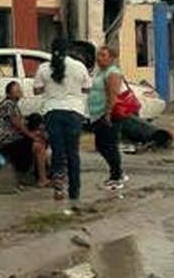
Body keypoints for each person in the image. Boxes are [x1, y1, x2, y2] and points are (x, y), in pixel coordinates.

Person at [34, 39, 92, 202]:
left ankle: (59, 189)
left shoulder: (44, 68)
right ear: (68, 50)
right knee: (73, 152)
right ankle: (74, 191)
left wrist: (51, 88)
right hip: (74, 112)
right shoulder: (79, 66)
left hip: (52, 111)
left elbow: (37, 90)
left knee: (57, 151)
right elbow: (87, 88)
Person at [0, 82, 49, 187]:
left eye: (19, 90)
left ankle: (43, 175)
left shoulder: (14, 106)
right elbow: (17, 124)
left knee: (39, 139)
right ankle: (42, 179)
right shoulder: (9, 104)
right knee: (38, 145)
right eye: (16, 91)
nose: (19, 92)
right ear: (8, 94)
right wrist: (31, 136)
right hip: (7, 141)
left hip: (12, 139)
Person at [88, 46, 129, 190]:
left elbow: (113, 95)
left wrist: (108, 113)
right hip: (97, 114)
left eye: (103, 55)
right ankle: (117, 171)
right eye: (98, 55)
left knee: (109, 145)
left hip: (108, 115)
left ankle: (116, 176)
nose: (99, 58)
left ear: (111, 58)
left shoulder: (112, 73)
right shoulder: (100, 72)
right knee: (101, 145)